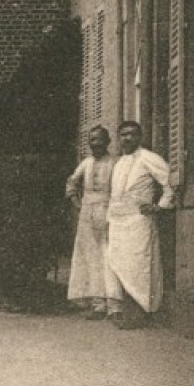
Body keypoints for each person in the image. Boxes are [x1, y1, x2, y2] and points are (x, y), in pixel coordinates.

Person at [105, 120, 175, 329]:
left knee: (138, 266)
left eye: (132, 134)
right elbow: (115, 195)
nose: (127, 138)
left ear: (140, 137)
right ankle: (123, 311)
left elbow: (169, 183)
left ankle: (140, 313)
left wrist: (160, 206)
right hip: (118, 221)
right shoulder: (119, 163)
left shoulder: (149, 158)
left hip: (138, 221)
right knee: (118, 265)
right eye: (124, 134)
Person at [65, 125, 116, 319]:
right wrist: (76, 201)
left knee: (105, 254)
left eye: (100, 139)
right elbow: (72, 181)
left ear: (108, 141)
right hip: (87, 211)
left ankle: (105, 302)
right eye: (92, 140)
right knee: (87, 254)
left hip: (106, 210)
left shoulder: (113, 163)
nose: (96, 144)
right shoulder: (86, 163)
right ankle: (90, 300)